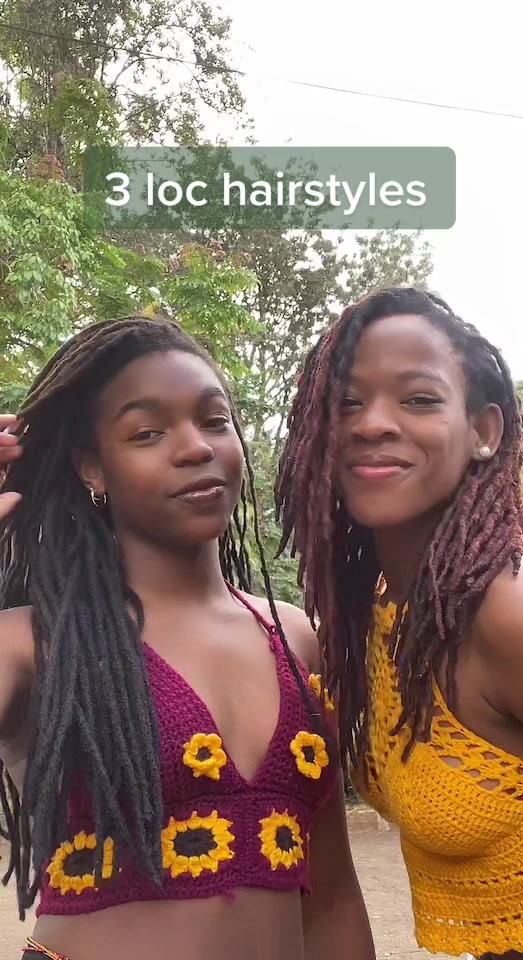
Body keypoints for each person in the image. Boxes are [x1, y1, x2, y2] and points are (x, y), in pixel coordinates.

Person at [0, 316, 374, 960]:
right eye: (147, 433)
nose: (196, 447)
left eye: (214, 420)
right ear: (92, 466)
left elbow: (332, 896)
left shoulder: (294, 638)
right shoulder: (34, 645)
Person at [275, 287, 523, 960]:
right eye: (347, 403)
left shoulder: (514, 613)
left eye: (418, 399)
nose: (372, 424)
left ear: (484, 431)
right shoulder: (379, 610)